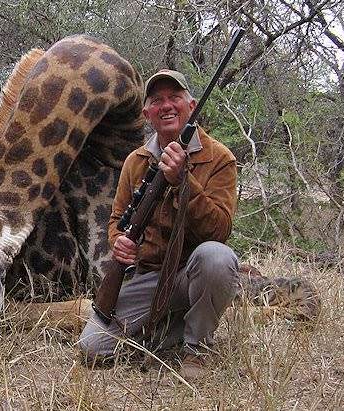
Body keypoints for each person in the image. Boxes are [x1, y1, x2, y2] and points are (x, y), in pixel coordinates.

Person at [78, 69, 239, 380]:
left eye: (175, 98)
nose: (166, 106)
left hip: (190, 273)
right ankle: (171, 330)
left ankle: (197, 347)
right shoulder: (135, 161)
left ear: (191, 106)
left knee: (217, 258)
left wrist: (183, 182)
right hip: (148, 276)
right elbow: (117, 220)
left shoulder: (219, 158)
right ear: (146, 113)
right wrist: (119, 242)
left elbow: (219, 230)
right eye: (157, 100)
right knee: (92, 349)